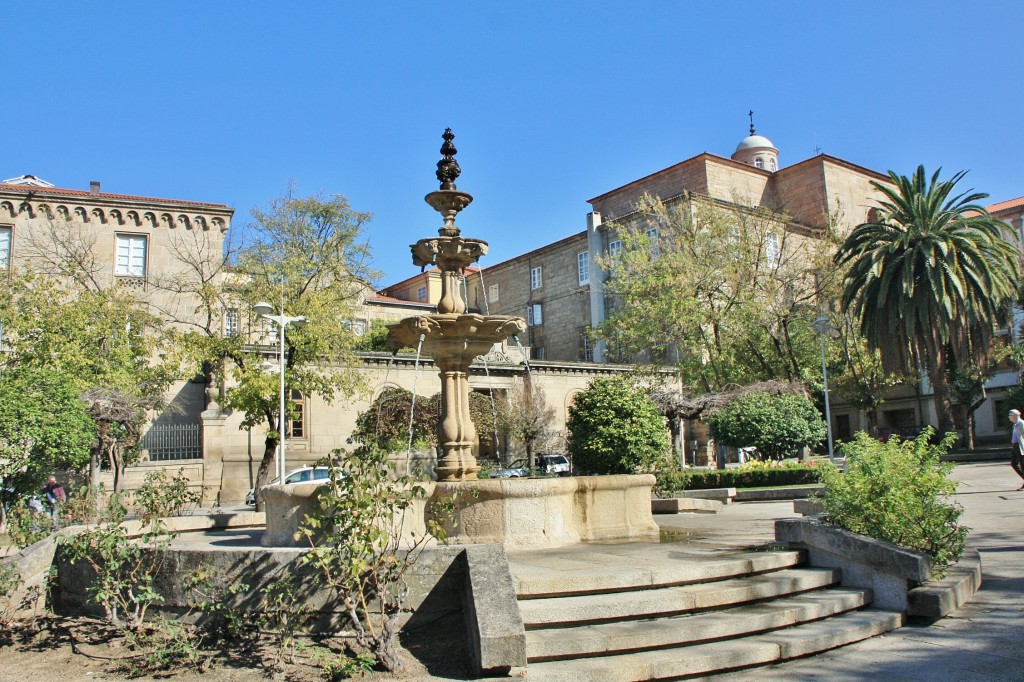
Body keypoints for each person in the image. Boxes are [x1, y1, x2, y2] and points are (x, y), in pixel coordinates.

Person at [1009, 410, 1024, 490]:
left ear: (1015, 416)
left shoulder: (1021, 423)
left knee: (1022, 465)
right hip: (1015, 446)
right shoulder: (1015, 425)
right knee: (1013, 464)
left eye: (1010, 415)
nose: (1009, 417)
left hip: (1020, 446)